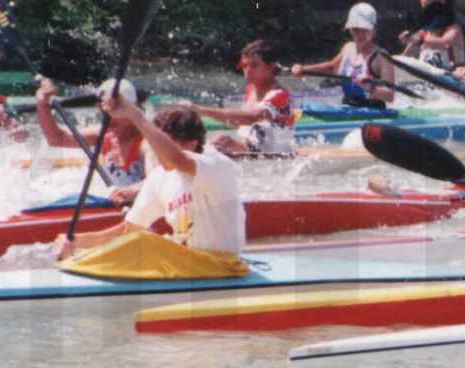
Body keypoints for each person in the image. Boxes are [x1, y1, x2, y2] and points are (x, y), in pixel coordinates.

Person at [59, 97, 245, 260]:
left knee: (145, 245)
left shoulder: (216, 164)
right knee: (131, 245)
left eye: (165, 145)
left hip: (223, 264)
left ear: (192, 144)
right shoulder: (159, 178)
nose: (157, 153)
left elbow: (174, 159)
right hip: (186, 262)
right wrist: (76, 241)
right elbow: (127, 231)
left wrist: (135, 115)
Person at [35, 77, 146, 206]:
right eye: (104, 113)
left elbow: (161, 180)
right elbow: (56, 139)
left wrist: (132, 191)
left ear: (132, 109)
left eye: (116, 112)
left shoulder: (147, 142)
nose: (109, 118)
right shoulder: (104, 135)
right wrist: (42, 104)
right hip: (116, 203)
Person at [291, 3, 398, 107]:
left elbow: (390, 95)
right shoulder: (348, 48)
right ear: (350, 30)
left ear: (373, 30)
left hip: (373, 112)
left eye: (364, 29)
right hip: (348, 106)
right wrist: (304, 69)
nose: (360, 34)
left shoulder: (381, 57)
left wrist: (370, 87)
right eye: (355, 29)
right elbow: (331, 67)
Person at [203, 39, 297, 157]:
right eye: (245, 65)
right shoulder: (250, 89)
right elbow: (240, 123)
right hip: (253, 149)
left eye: (254, 65)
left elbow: (251, 118)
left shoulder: (279, 95)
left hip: (275, 157)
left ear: (271, 68)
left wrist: (203, 111)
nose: (247, 70)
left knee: (221, 140)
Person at [401, 0, 465, 69]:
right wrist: (407, 39)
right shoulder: (424, 31)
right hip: (428, 77)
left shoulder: (454, 29)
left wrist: (421, 40)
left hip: (452, 76)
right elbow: (406, 52)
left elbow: (444, 42)